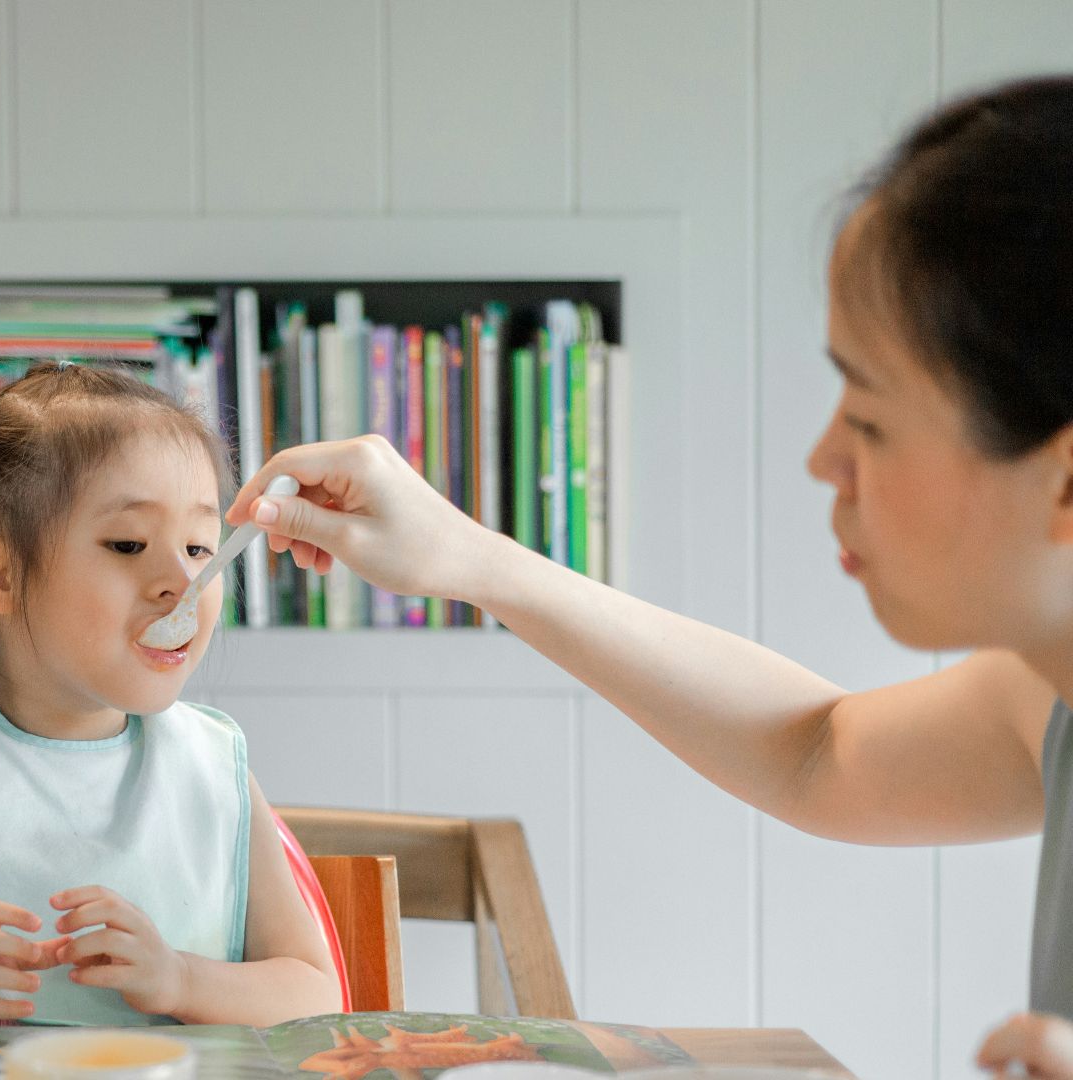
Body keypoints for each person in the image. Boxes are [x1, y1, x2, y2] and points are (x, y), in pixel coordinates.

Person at [227, 74, 1073, 1078]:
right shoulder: (1046, 696)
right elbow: (818, 750)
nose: (823, 460)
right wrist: (469, 559)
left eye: (870, 420)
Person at [0, 361, 339, 1027]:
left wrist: (180, 979)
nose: (183, 582)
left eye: (201, 548)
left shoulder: (214, 767)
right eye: (129, 543)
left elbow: (314, 996)